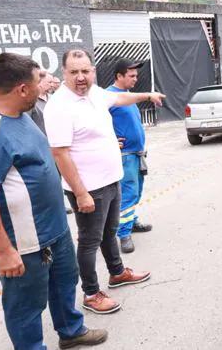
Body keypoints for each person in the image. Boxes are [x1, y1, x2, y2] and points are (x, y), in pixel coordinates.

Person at [0, 53, 107, 349]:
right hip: (24, 243)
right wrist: (4, 251)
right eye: (38, 81)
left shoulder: (20, 115)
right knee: (26, 307)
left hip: (54, 230)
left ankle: (71, 331)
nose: (43, 87)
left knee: (65, 283)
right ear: (22, 89)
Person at [44, 49, 164, 314]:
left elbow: (120, 97)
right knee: (89, 241)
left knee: (109, 233)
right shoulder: (59, 106)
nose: (80, 77)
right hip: (88, 189)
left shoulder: (96, 93)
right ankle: (91, 293)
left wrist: (147, 95)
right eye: (73, 72)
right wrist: (81, 193)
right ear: (64, 73)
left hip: (111, 179)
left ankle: (117, 272)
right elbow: (60, 154)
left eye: (85, 71)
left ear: (93, 71)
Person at [106, 59, 153, 254]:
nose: (136, 79)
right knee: (127, 194)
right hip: (125, 156)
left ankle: (131, 222)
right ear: (119, 76)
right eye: (131, 76)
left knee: (136, 191)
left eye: (136, 75)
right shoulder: (109, 96)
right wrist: (110, 141)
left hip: (136, 154)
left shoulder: (126, 95)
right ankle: (124, 234)